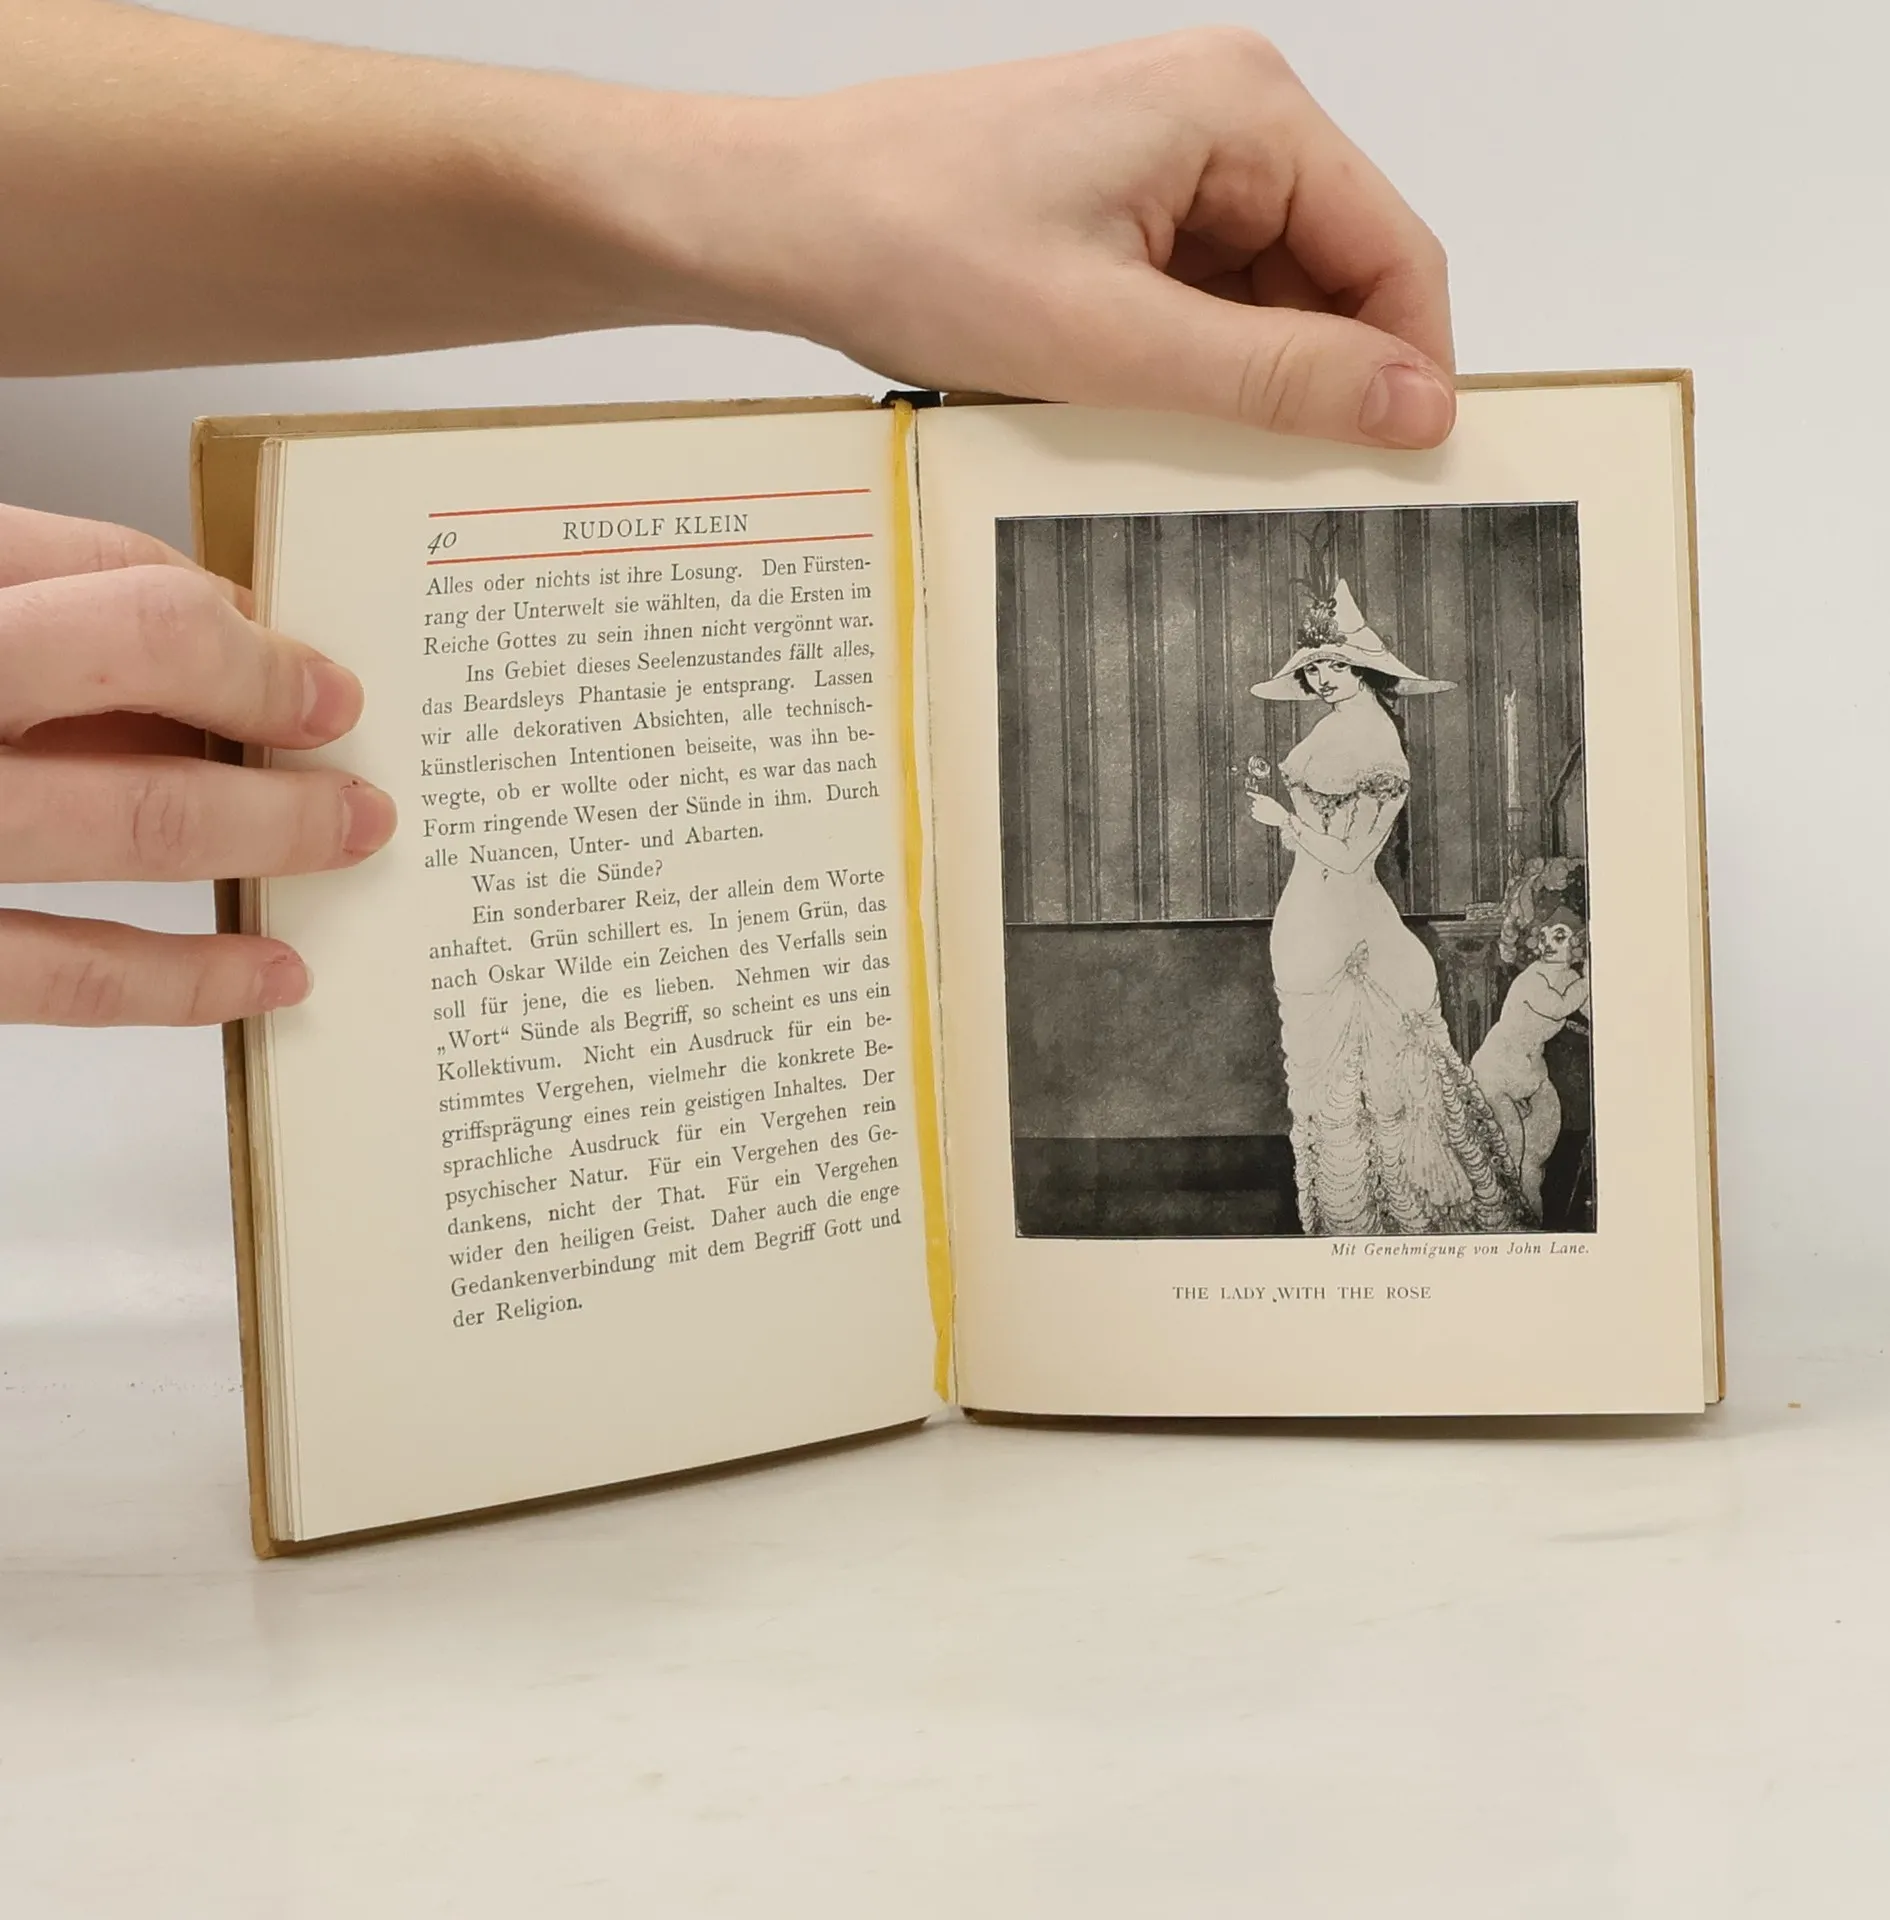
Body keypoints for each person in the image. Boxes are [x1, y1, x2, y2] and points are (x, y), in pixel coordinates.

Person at [0, 7, 1454, 1028]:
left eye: (1326, 666)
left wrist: (778, 199)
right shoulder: (1348, 733)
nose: (1313, 675)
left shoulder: (1365, 743)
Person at [1249, 578, 1524, 1234]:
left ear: (1365, 669)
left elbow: (1350, 857)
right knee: (1328, 1088)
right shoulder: (1333, 727)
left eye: (1336, 666)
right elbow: (1319, 840)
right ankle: (1343, 1220)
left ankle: (1398, 1222)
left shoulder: (1379, 745)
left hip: (1352, 926)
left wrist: (1285, 821)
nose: (1322, 679)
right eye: (1313, 668)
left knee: (1384, 1084)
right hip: (1310, 916)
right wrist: (1291, 821)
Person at [1470, 909, 1591, 1221]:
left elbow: (1593, 1012)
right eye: (1544, 937)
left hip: (1531, 1073)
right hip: (1498, 1068)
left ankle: (1531, 1217)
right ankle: (1504, 1219)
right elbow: (1559, 1006)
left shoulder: (1571, 978)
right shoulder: (1534, 978)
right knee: (1511, 1150)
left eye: (1559, 936)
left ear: (1577, 942)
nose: (1548, 944)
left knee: (1536, 1154)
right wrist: (1592, 978)